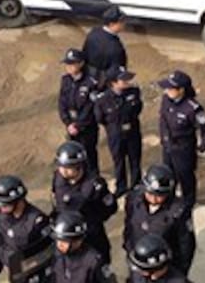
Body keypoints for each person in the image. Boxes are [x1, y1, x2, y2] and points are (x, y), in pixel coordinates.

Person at [51, 141, 118, 264]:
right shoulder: (58, 178)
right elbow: (56, 200)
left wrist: (91, 219)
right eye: (61, 166)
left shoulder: (94, 185)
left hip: (90, 237)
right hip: (65, 236)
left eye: (68, 167)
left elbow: (110, 208)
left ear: (79, 166)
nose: (63, 170)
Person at [123, 164, 196, 275]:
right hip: (138, 260)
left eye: (158, 195)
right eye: (150, 193)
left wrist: (180, 271)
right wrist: (128, 247)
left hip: (162, 268)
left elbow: (186, 244)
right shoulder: (134, 199)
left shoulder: (178, 211)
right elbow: (129, 225)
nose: (153, 198)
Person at [158, 70, 205, 208]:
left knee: (185, 177)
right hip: (168, 146)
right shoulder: (166, 100)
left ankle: (188, 201)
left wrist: (204, 143)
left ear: (181, 90)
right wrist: (164, 138)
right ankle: (169, 198)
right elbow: (163, 118)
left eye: (171, 88)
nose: (167, 91)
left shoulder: (192, 108)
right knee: (168, 174)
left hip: (184, 148)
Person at [94, 65, 143, 197]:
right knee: (119, 161)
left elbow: (138, 108)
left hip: (132, 131)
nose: (127, 81)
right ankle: (121, 186)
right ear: (113, 82)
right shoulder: (103, 100)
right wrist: (114, 127)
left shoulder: (134, 92)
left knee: (135, 160)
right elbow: (100, 118)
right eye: (123, 79)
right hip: (115, 133)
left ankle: (136, 185)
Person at [58, 48, 101, 174]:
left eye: (72, 64)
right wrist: (68, 122)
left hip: (86, 126)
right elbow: (62, 103)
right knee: (73, 154)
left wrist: (78, 125)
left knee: (89, 154)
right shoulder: (65, 80)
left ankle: (93, 178)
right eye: (67, 64)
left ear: (81, 64)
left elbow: (89, 107)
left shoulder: (90, 82)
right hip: (71, 124)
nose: (69, 67)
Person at [82, 5, 128, 89]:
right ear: (111, 24)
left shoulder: (94, 33)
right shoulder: (115, 48)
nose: (124, 24)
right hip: (105, 83)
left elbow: (84, 53)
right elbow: (116, 71)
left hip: (88, 78)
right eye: (121, 22)